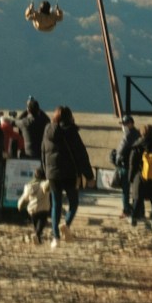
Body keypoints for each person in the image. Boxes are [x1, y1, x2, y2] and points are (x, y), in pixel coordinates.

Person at [42, 104, 94, 246]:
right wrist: (89, 176)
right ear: (70, 117)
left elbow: (43, 152)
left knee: (56, 205)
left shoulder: (48, 130)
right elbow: (81, 155)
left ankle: (55, 238)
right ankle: (66, 224)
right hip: (70, 174)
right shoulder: (71, 132)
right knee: (74, 202)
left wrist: (46, 171)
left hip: (52, 174)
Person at [113, 115, 143, 219]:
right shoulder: (138, 133)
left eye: (125, 124)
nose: (124, 126)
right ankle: (139, 211)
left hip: (126, 165)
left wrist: (116, 159)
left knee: (125, 190)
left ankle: (126, 210)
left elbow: (121, 150)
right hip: (136, 165)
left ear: (130, 123)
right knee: (137, 190)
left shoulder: (128, 135)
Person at [19, 165, 52, 243]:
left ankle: (38, 238)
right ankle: (37, 235)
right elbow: (48, 185)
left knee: (35, 224)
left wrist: (20, 205)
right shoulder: (43, 184)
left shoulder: (28, 186)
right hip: (43, 209)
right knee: (41, 224)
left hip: (32, 210)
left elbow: (24, 197)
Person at [21, 96, 48, 161]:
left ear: (28, 110)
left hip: (29, 155)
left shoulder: (25, 122)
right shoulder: (44, 121)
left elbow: (16, 121)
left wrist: (27, 109)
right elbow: (48, 120)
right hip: (42, 153)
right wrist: (38, 109)